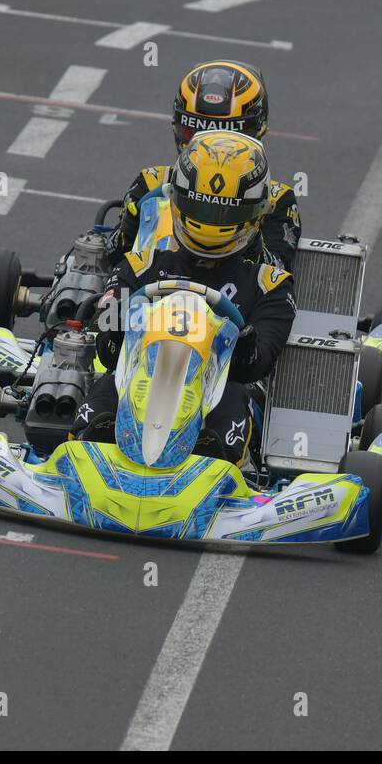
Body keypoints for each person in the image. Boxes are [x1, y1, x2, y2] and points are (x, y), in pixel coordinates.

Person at [75, 131, 295, 465]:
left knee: (236, 397)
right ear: (177, 201)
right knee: (109, 387)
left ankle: (215, 465)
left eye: (223, 215)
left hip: (216, 390)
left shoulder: (269, 284)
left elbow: (255, 367)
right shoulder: (137, 266)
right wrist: (119, 321)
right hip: (142, 380)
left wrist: (237, 335)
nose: (210, 224)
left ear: (254, 213)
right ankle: (88, 451)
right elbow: (108, 351)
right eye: (200, 209)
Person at [106, 60, 302, 270]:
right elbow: (110, 259)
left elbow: (277, 271)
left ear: (256, 130)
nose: (210, 149)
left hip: (234, 298)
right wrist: (128, 229)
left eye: (226, 137)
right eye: (196, 134)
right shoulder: (151, 181)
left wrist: (250, 238)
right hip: (150, 296)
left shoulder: (275, 198)